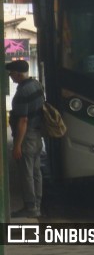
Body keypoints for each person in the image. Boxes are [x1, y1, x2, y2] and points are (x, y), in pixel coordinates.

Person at [6, 60, 44, 218]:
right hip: (36, 134)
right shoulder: (36, 85)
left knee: (26, 173)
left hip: (26, 136)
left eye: (11, 73)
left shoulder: (23, 91)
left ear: (18, 74)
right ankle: (37, 204)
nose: (10, 76)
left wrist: (17, 145)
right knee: (36, 171)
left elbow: (23, 120)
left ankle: (30, 207)